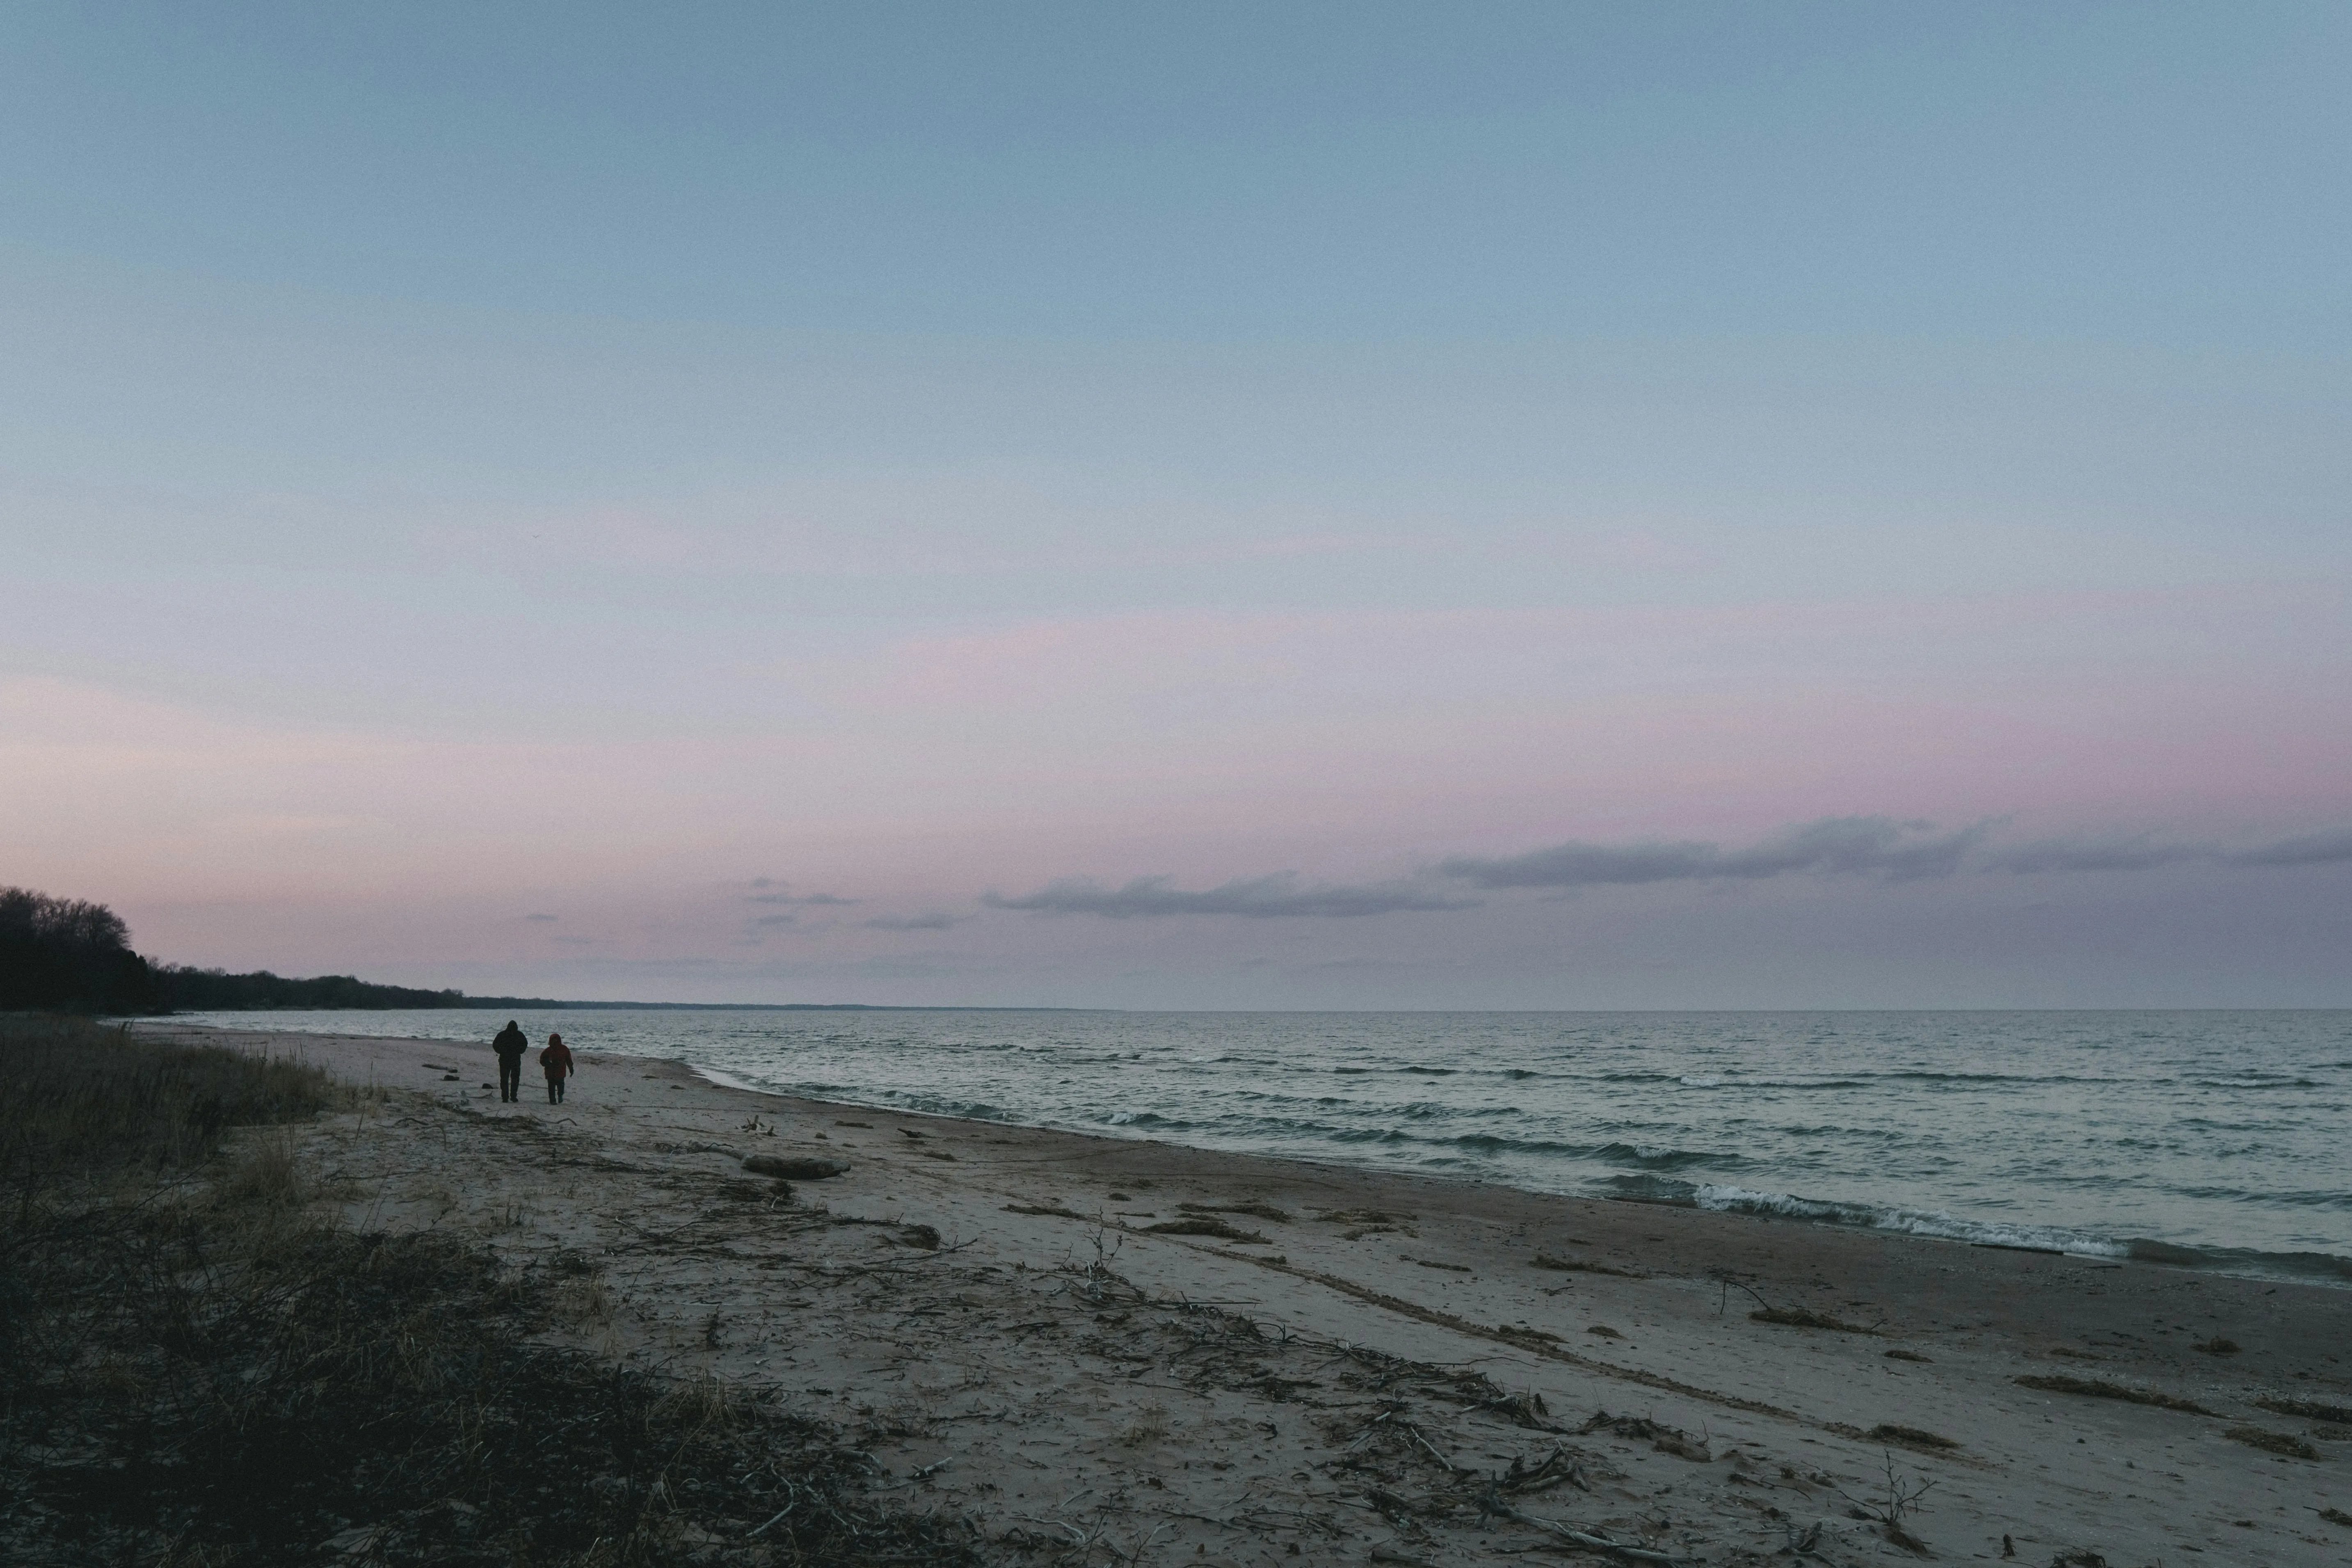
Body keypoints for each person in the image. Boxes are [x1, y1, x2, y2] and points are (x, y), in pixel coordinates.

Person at [491, 1019, 529, 1102]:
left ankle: (506, 1097)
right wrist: (519, 1051)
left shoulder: (502, 1035)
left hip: (506, 1059)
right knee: (513, 1079)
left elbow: (495, 1045)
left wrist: (502, 1051)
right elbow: (525, 1044)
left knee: (505, 1079)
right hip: (512, 1059)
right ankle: (512, 1096)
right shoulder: (519, 1035)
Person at [541, 1031, 575, 1104]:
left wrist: (571, 1068)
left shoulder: (564, 1049)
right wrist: (548, 1064)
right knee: (552, 1088)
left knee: (561, 1087)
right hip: (551, 1073)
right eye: (553, 1040)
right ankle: (553, 1101)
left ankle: (560, 1096)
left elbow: (569, 1060)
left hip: (560, 1072)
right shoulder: (548, 1051)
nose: (555, 1042)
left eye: (556, 1040)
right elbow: (542, 1061)